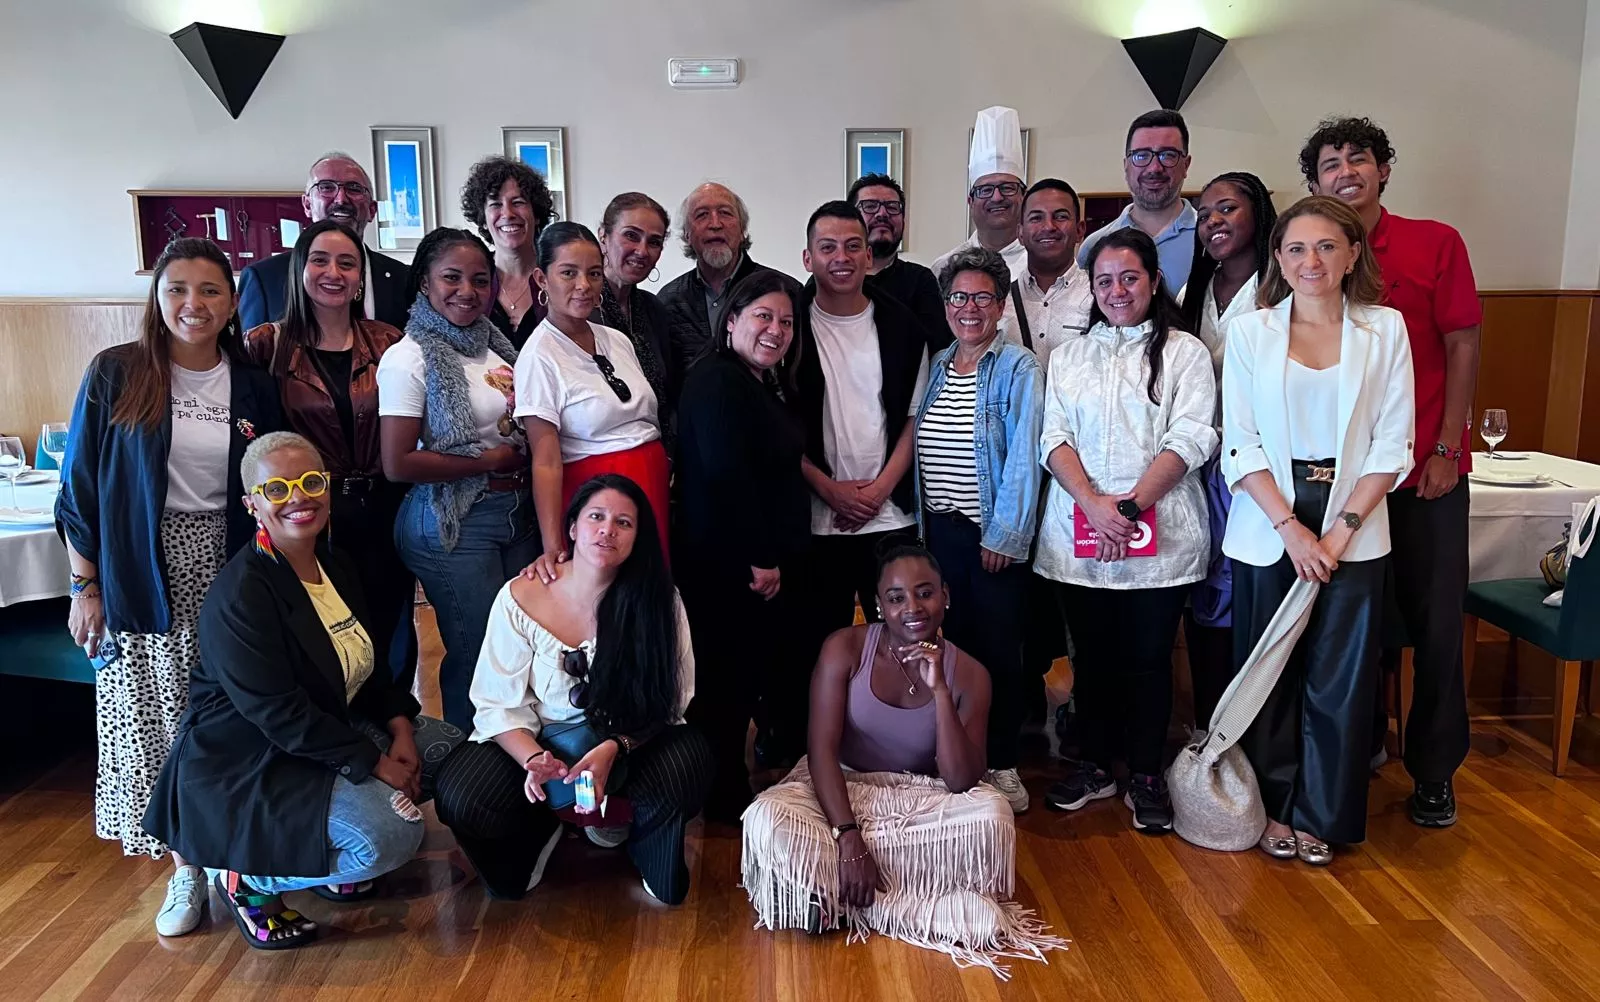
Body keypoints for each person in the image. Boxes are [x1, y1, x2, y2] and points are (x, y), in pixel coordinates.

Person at [142, 432, 464, 948]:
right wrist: (377, 764)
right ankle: (247, 879)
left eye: (311, 481)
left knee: (449, 753)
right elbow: (280, 714)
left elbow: (369, 665)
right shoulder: (240, 593)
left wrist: (402, 731)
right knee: (391, 838)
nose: (299, 497)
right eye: (278, 489)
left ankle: (324, 862)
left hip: (326, 727)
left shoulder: (334, 564)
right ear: (251, 504)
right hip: (250, 758)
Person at [57, 237, 282, 937]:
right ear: (157, 297)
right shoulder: (117, 374)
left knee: (227, 714)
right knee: (159, 721)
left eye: (211, 290)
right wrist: (83, 587)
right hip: (139, 568)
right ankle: (185, 871)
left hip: (232, 566)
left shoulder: (253, 385)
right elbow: (79, 491)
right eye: (178, 288)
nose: (194, 304)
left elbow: (273, 483)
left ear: (232, 300)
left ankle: (229, 855)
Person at [741, 547, 1065, 975]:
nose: (912, 608)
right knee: (766, 817)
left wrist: (941, 693)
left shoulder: (970, 674)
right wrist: (847, 835)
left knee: (993, 813)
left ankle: (847, 901)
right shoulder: (844, 648)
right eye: (895, 598)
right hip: (841, 791)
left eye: (924, 593)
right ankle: (917, 901)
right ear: (878, 605)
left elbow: (961, 778)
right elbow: (819, 749)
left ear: (945, 596)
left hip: (920, 800)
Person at [1223, 195, 1416, 864]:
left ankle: (1323, 814)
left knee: (1340, 677)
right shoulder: (1250, 333)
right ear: (1278, 258)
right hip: (1269, 519)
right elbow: (1239, 445)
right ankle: (1273, 807)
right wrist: (1292, 531)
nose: (1312, 261)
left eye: (1327, 246)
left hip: (1354, 522)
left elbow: (1393, 445)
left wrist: (1336, 536)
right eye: (1297, 248)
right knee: (1269, 670)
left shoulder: (1385, 329)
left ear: (1353, 253)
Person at [1302, 116, 1480, 828]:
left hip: (1422, 476)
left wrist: (1446, 449)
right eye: (1331, 163)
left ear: (1383, 170)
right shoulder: (1311, 253)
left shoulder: (1434, 243)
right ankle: (1359, 751)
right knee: (1356, 628)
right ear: (1315, 181)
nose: (1346, 171)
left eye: (1359, 158)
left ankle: (1435, 770)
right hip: (1343, 484)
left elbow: (1463, 343)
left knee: (1437, 628)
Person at [433, 475, 712, 903]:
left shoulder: (659, 600)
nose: (607, 530)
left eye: (624, 523)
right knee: (460, 793)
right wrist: (533, 759)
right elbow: (495, 704)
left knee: (690, 765)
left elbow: (673, 701)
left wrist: (614, 747)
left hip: (628, 742)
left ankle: (636, 836)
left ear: (639, 538)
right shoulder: (521, 596)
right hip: (538, 744)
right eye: (596, 517)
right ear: (573, 528)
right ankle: (539, 827)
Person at [1035, 228, 1217, 833]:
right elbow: (1053, 437)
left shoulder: (1185, 353)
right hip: (1079, 531)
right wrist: (1092, 504)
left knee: (1146, 658)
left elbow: (1190, 437)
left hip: (1159, 534)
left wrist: (1129, 509)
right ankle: (1095, 763)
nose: (1117, 291)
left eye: (1130, 277)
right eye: (1105, 280)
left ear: (1154, 280)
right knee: (1092, 657)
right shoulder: (1069, 356)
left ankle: (1144, 771)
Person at [242, 218, 418, 691]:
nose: (334, 273)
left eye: (347, 263)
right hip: (310, 509)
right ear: (300, 269)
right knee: (320, 632)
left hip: (384, 506)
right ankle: (340, 742)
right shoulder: (266, 345)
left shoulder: (389, 341)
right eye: (320, 260)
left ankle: (398, 730)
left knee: (390, 627)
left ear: (361, 277)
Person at [379, 227, 537, 731]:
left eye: (480, 279)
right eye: (452, 278)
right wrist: (487, 463)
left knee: (520, 644)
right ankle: (470, 783)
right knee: (477, 653)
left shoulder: (494, 346)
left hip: (514, 511)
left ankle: (520, 770)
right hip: (452, 520)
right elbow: (398, 462)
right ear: (424, 282)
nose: (467, 291)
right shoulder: (410, 357)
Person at [675, 270, 811, 818]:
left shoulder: (755, 380)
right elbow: (728, 474)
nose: (776, 330)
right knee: (723, 681)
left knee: (740, 675)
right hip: (728, 561)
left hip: (742, 558)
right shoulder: (717, 379)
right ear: (730, 321)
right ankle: (719, 795)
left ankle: (727, 786)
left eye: (786, 321)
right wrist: (762, 558)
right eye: (763, 317)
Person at [915, 247, 1044, 813]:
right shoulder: (938, 363)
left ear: (1000, 306)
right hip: (939, 536)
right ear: (946, 305)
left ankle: (1002, 762)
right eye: (959, 297)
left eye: (982, 297)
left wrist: (1007, 534)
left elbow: (1024, 456)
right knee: (948, 649)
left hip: (990, 537)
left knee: (998, 653)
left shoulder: (1019, 369)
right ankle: (953, 752)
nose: (970, 308)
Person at [792, 201, 930, 662]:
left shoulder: (903, 326)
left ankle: (898, 733)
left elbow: (915, 417)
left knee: (901, 642)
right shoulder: (786, 326)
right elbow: (773, 425)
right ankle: (818, 735)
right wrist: (830, 490)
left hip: (890, 516)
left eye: (854, 246)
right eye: (827, 247)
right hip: (816, 519)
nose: (842, 257)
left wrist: (878, 491)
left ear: (869, 257)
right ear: (808, 258)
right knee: (818, 648)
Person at [1175, 171, 1278, 727]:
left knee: (1251, 591)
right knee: (1206, 589)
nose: (1213, 222)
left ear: (1258, 215)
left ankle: (1257, 721)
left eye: (1227, 209)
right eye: (1205, 213)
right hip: (1201, 467)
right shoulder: (1194, 294)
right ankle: (1210, 722)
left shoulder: (1282, 289)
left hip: (1261, 468)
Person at [514, 223, 668, 579]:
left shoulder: (616, 339)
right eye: (569, 273)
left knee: (649, 592)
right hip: (598, 497)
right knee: (609, 601)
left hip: (649, 483)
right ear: (541, 278)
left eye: (594, 273)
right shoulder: (539, 356)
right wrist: (553, 546)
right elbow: (546, 461)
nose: (584, 285)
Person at [238, 152, 411, 329]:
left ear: (372, 210)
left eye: (354, 188)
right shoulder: (264, 277)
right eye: (326, 187)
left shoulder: (405, 279)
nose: (341, 198)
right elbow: (248, 354)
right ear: (307, 205)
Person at [658, 182, 774, 385]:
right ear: (687, 235)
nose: (715, 224)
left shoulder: (778, 291)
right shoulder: (669, 301)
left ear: (742, 231)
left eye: (725, 213)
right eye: (702, 215)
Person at [1077, 110, 1198, 297]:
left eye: (1168, 155)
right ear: (1126, 165)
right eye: (1141, 156)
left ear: (1186, 165)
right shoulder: (1095, 246)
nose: (1155, 167)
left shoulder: (1209, 241)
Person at [461, 155, 556, 350]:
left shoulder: (558, 277)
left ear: (536, 214)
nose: (508, 214)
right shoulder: (467, 282)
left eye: (518, 202)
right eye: (496, 204)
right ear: (483, 218)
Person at [594, 192, 675, 420]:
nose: (642, 251)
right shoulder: (579, 308)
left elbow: (668, 392)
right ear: (603, 237)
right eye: (631, 235)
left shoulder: (654, 309)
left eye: (654, 242)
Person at [849, 173, 948, 351]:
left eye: (892, 207)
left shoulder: (920, 281)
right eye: (870, 206)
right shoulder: (829, 280)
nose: (882, 214)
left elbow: (937, 352)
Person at [931, 106, 1029, 281]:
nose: (997, 197)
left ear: (1024, 196)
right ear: (971, 201)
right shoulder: (943, 268)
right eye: (985, 190)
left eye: (1007, 187)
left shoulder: (1041, 265)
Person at [1003, 178, 1094, 363]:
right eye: (1036, 218)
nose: (1049, 226)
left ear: (1080, 230)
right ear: (1020, 233)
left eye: (1060, 216)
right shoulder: (1000, 301)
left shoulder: (1100, 297)